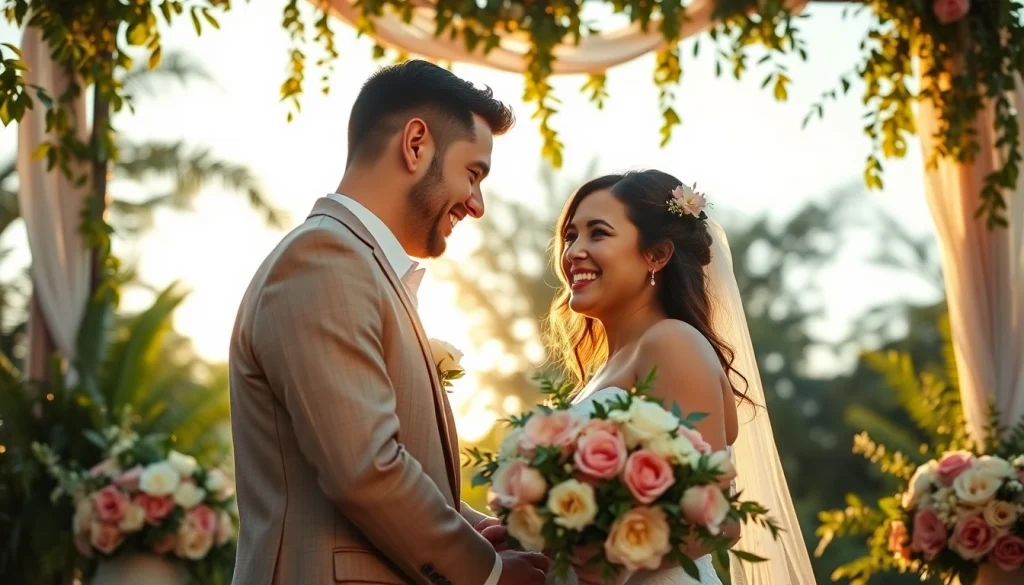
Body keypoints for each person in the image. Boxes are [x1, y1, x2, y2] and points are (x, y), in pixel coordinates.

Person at [228, 59, 550, 585]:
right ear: (416, 143)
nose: (477, 204)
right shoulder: (324, 259)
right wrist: (487, 575)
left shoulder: (355, 265)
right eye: (473, 173)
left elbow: (390, 463)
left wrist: (476, 529)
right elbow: (365, 469)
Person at [548, 170, 817, 585]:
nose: (574, 252)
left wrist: (591, 561)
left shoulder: (672, 344)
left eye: (597, 234)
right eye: (570, 236)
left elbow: (716, 521)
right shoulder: (611, 366)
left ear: (656, 255)